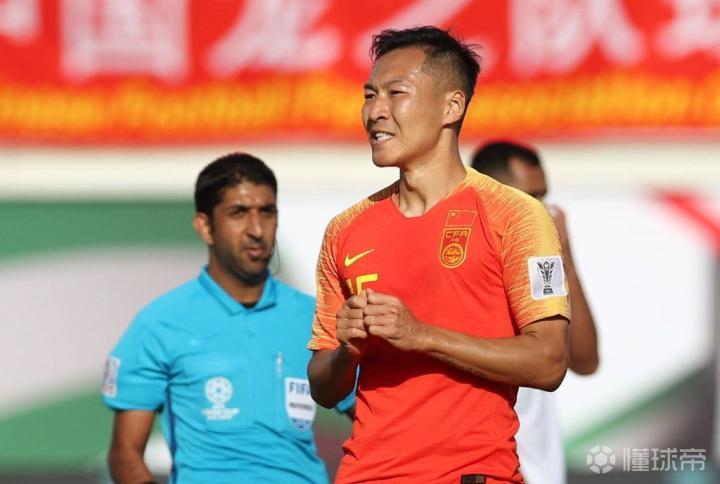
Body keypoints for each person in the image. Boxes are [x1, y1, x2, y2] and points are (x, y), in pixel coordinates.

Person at [307, 26, 570, 483]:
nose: (375, 111)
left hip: (471, 474)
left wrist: (422, 335)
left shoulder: (516, 215)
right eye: (369, 95)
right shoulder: (345, 231)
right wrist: (347, 353)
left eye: (396, 93)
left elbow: (550, 362)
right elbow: (323, 388)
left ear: (452, 106)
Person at [101, 153, 347, 484]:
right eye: (238, 213)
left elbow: (376, 419)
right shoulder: (160, 323)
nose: (256, 230)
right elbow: (125, 454)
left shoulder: (315, 316)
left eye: (267, 211)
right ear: (205, 227)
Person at [471, 141, 600, 484]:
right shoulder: (477, 277)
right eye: (530, 199)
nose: (544, 212)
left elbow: (585, 360)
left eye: (544, 197)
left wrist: (565, 257)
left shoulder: (537, 268)